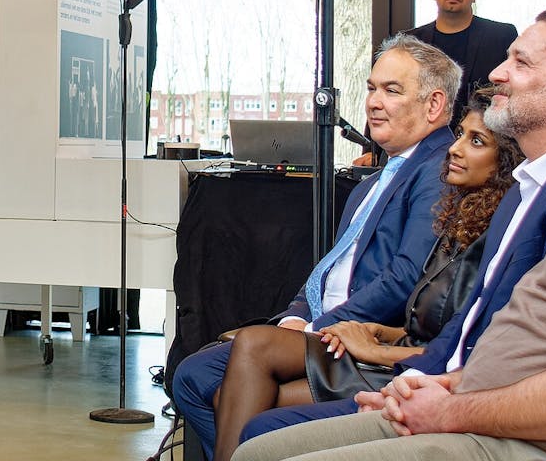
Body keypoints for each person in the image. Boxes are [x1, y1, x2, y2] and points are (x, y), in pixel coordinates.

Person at [232, 0, 546, 461]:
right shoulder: (542, 186)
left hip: (522, 432)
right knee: (256, 445)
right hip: (468, 397)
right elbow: (495, 331)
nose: (497, 74)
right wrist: (424, 384)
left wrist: (443, 404)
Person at [172, 33, 459, 458]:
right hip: (319, 326)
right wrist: (295, 316)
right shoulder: (371, 184)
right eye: (372, 88)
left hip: (357, 336)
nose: (374, 103)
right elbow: (330, 269)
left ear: (433, 105)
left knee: (228, 383)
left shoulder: (438, 169)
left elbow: (405, 277)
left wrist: (315, 326)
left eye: (392, 90)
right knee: (191, 377)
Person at [212, 88, 522, 459]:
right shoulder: (459, 223)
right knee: (244, 361)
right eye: (460, 135)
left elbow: (460, 348)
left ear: (506, 162)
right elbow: (432, 321)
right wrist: (376, 331)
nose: (455, 149)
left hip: (407, 369)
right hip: (394, 350)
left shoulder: (499, 239)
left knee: (251, 392)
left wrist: (375, 348)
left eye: (476, 141)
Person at [408, 0, 517, 122]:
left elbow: (515, 93)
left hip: (483, 132)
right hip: (424, 134)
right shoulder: (411, 42)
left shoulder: (502, 36)